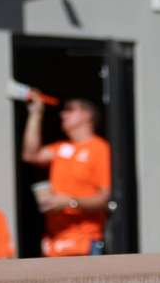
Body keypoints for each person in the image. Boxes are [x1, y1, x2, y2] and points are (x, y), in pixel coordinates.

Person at [21, 96, 111, 257]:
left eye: (70, 110)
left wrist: (70, 202)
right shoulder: (62, 148)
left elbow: (105, 198)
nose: (63, 114)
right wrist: (36, 113)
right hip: (54, 244)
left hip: (84, 244)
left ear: (87, 115)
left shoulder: (100, 149)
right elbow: (30, 154)